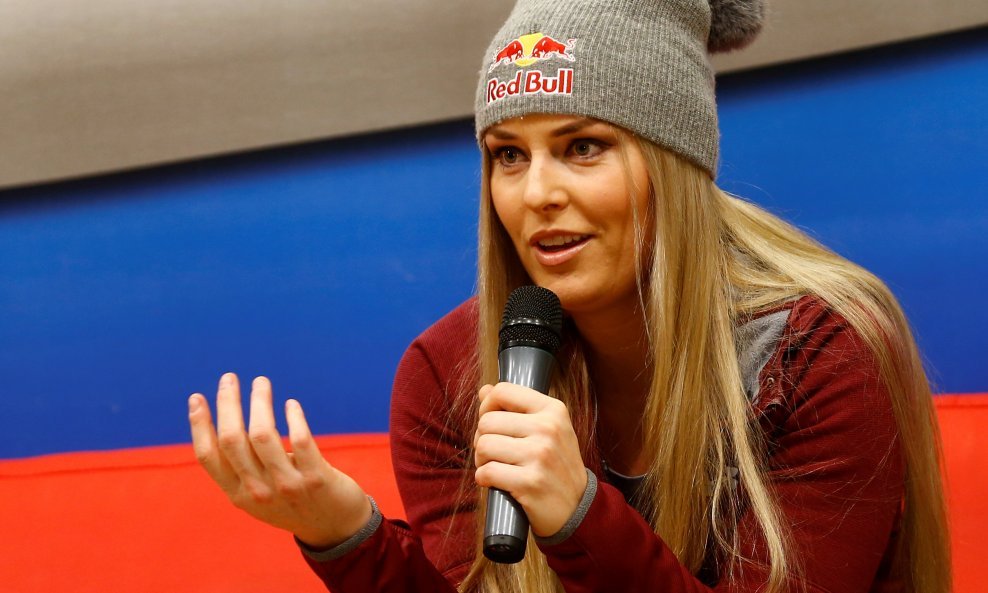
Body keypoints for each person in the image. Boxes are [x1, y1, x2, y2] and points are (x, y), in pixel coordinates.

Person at [188, 0, 952, 591]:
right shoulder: (449, 373)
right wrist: (346, 532)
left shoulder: (821, 351)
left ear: (674, 159)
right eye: (508, 156)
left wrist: (581, 515)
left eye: (582, 146)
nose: (537, 194)